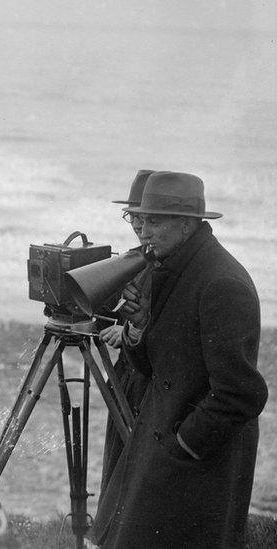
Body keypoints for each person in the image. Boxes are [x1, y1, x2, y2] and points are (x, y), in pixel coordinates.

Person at [92, 171, 268, 548]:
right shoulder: (172, 266)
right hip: (166, 440)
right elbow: (159, 368)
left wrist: (183, 444)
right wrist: (138, 330)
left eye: (154, 221)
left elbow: (241, 394)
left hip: (197, 456)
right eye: (138, 219)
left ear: (187, 224)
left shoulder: (221, 283)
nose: (143, 230)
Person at [97, 169, 155, 496]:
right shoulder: (142, 257)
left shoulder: (161, 262)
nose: (137, 226)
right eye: (132, 216)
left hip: (145, 383)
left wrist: (132, 330)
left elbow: (161, 320)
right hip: (128, 379)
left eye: (144, 218)